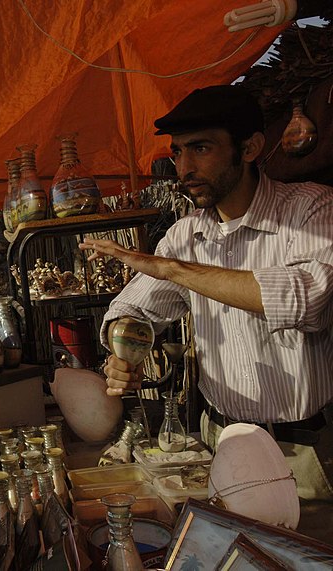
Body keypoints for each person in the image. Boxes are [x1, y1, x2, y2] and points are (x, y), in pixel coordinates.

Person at [79, 85, 333, 503]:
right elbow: (132, 308)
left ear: (249, 148)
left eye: (200, 149)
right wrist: (125, 350)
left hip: (303, 453)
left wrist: (172, 268)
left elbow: (305, 299)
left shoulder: (309, 210)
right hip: (221, 443)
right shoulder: (185, 234)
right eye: (178, 152)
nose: (185, 168)